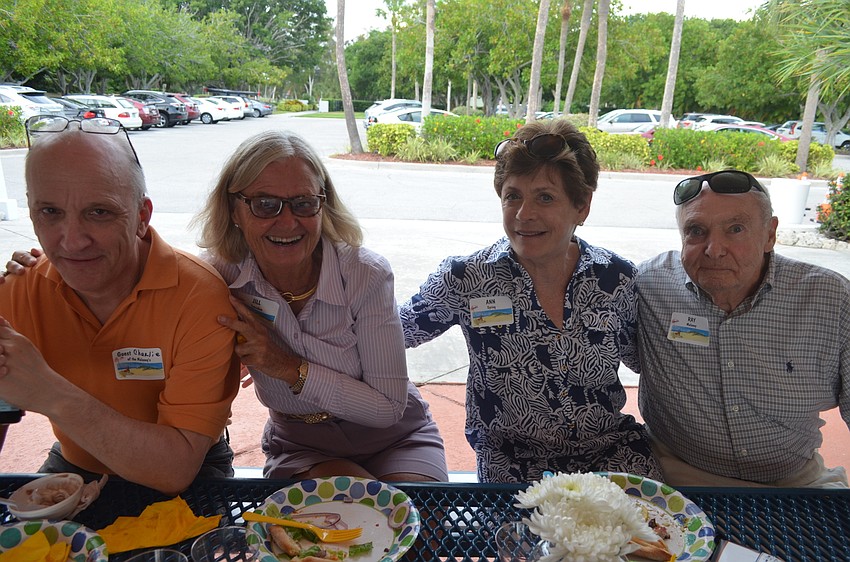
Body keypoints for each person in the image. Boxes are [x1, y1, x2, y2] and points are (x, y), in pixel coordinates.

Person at [399, 119, 662, 483]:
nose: (524, 214)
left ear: (581, 207)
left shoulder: (616, 278)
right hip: (514, 466)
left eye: (545, 197)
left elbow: (653, 361)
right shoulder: (468, 278)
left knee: (653, 538)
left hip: (611, 457)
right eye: (513, 196)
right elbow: (391, 334)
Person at [0, 116, 240, 495]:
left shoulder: (199, 296)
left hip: (188, 471)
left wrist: (49, 392)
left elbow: (174, 469)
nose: (73, 241)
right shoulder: (16, 292)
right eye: (51, 212)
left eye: (100, 212)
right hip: (76, 462)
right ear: (31, 209)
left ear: (142, 217)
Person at [193, 130, 447, 481]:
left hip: (398, 438)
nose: (287, 222)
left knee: (420, 532)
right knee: (344, 523)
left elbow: (387, 408)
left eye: (303, 203)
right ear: (234, 209)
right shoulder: (216, 275)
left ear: (322, 204)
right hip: (302, 445)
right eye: (265, 204)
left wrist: (285, 366)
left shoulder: (365, 274)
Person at [636, 169, 850, 488]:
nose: (714, 249)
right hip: (675, 475)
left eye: (735, 229)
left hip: (793, 484)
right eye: (696, 231)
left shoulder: (831, 300)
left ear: (769, 234)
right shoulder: (648, 286)